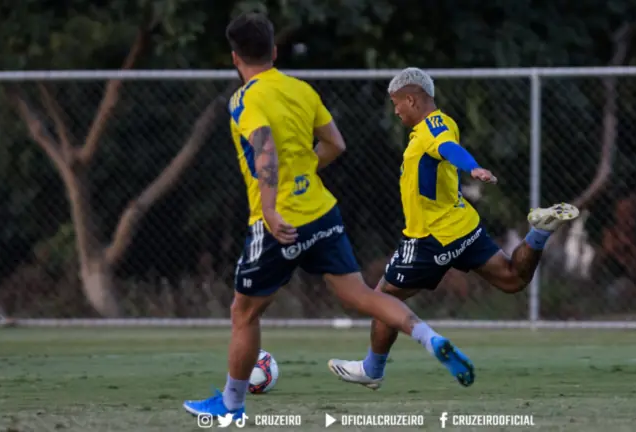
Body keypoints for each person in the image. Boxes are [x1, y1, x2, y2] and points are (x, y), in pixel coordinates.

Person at [182, 16, 474, 420]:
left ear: (235, 57)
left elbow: (264, 147)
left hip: (278, 221)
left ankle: (231, 405)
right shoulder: (302, 90)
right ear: (275, 51)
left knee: (244, 312)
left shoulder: (244, 99)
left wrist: (269, 207)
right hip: (321, 211)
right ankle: (430, 337)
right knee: (362, 295)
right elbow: (335, 143)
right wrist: (304, 173)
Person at [327, 67, 580, 390]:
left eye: (396, 103)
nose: (395, 110)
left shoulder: (434, 126)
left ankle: (372, 370)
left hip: (429, 238)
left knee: (382, 299)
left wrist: (472, 166)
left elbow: (447, 147)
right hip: (461, 227)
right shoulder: (434, 125)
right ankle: (541, 231)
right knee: (513, 278)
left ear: (411, 99)